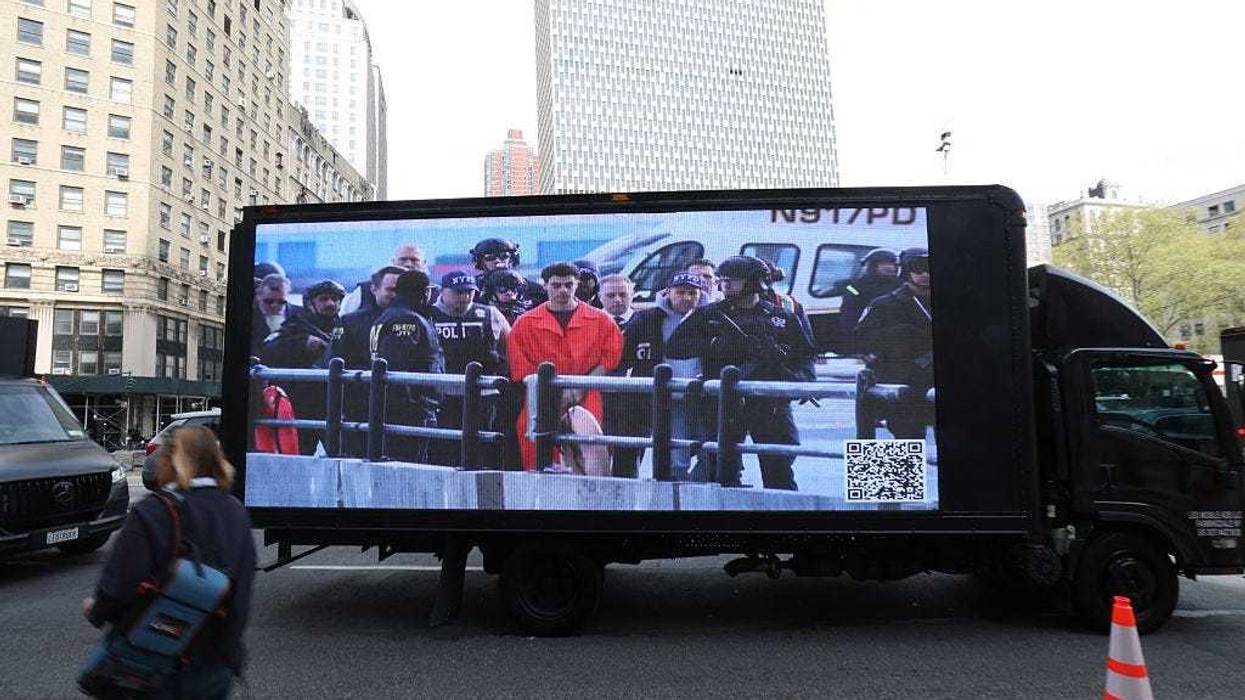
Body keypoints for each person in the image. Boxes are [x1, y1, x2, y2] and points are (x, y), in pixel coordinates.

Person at [84, 426, 256, 699]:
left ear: (173, 461)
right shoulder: (236, 512)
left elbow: (120, 584)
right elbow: (241, 593)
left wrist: (97, 610)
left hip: (150, 662)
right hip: (213, 662)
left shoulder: (153, 511)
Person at [667, 255, 815, 490]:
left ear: (755, 282)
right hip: (725, 404)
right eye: (723, 280)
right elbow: (675, 347)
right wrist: (717, 343)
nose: (725, 285)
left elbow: (805, 355)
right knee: (722, 471)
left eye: (733, 280)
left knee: (779, 468)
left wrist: (801, 383)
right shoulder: (709, 315)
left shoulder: (781, 317)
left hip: (770, 403)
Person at [507, 261, 623, 470]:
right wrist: (554, 394)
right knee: (538, 456)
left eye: (568, 285)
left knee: (592, 457)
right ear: (545, 286)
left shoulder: (600, 321)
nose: (562, 290)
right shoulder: (525, 323)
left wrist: (580, 387)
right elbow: (520, 367)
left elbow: (610, 358)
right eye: (556, 285)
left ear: (577, 285)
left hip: (587, 395)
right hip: (540, 398)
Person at [617, 272, 713, 480]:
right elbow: (623, 358)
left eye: (692, 293)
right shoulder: (647, 319)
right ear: (669, 292)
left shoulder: (712, 318)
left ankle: (694, 492)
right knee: (676, 460)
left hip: (705, 397)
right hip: (667, 398)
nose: (686, 297)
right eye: (681, 292)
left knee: (713, 453)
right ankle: (673, 498)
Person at [424, 271, 511, 466]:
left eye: (469, 292)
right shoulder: (428, 316)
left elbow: (511, 349)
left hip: (484, 396)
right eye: (458, 292)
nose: (464, 297)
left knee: (483, 451)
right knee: (445, 452)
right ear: (443, 292)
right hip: (443, 397)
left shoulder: (490, 314)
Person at [853, 247, 933, 439]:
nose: (925, 274)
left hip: (933, 384)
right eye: (917, 268)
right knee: (905, 446)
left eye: (929, 268)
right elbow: (860, 339)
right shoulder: (884, 305)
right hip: (901, 385)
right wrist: (900, 336)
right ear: (906, 270)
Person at [260, 279, 346, 455]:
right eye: (324, 299)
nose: (330, 303)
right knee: (299, 456)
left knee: (342, 456)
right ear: (310, 303)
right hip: (301, 406)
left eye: (335, 299)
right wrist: (301, 343)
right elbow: (269, 350)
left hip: (334, 406)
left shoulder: (345, 327)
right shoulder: (295, 325)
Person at [370, 269, 444, 463]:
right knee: (411, 467)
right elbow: (397, 367)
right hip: (411, 412)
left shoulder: (387, 315)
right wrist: (416, 405)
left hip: (395, 409)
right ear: (425, 292)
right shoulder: (407, 319)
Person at [338, 265, 404, 456]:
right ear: (374, 289)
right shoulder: (348, 322)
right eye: (391, 289)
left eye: (400, 290)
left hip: (404, 410)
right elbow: (335, 362)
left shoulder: (421, 319)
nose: (396, 295)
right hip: (362, 408)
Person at [598, 275, 640, 476]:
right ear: (600, 296)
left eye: (623, 294)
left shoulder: (645, 322)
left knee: (628, 465)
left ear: (632, 294)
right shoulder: (591, 322)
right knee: (596, 461)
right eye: (611, 295)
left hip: (632, 403)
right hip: (598, 400)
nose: (617, 300)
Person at [838, 248, 901, 353]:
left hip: (897, 338)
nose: (889, 267)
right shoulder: (857, 287)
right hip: (868, 336)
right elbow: (849, 317)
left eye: (892, 264)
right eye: (883, 264)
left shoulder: (902, 286)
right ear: (872, 266)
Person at [340, 243, 429, 314]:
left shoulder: (434, 293)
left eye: (414, 260)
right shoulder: (364, 291)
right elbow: (344, 318)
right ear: (393, 262)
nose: (408, 264)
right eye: (403, 259)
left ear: (424, 264)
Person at [470, 237, 547, 306]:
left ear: (512, 259)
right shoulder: (472, 288)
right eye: (490, 257)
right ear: (480, 262)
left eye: (504, 256)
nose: (497, 261)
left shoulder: (533, 289)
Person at [250, 273, 303, 359]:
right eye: (269, 301)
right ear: (258, 296)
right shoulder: (250, 316)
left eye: (281, 302)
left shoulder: (300, 314)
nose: (275, 306)